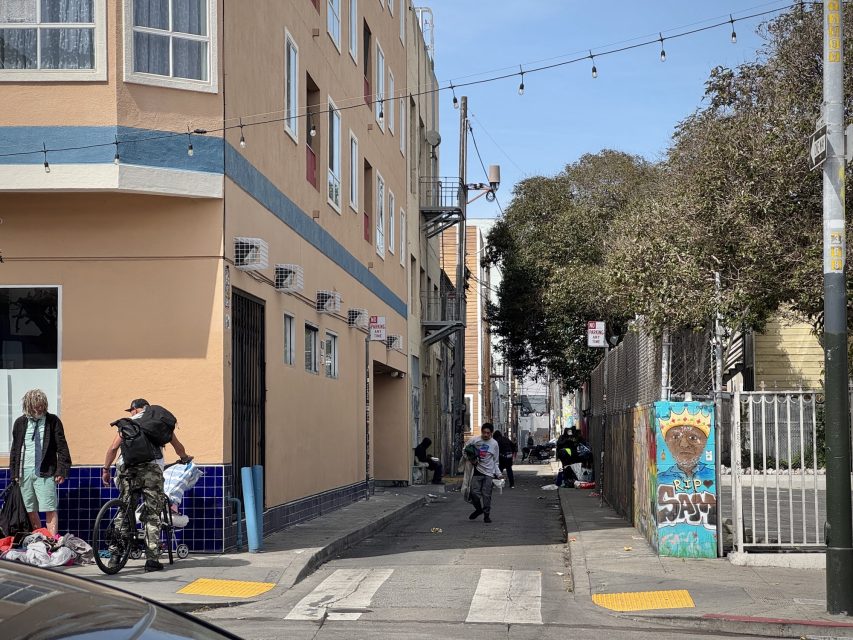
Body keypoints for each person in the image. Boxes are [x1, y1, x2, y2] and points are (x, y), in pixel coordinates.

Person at [102, 399, 191, 572]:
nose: (131, 414)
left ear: (135, 409)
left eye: (131, 410)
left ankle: (115, 555)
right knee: (152, 513)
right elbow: (177, 446)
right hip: (152, 470)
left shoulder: (129, 424)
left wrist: (105, 469)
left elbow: (113, 448)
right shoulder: (158, 421)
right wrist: (185, 457)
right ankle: (152, 559)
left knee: (125, 509)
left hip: (127, 469)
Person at [9, 389, 71, 536]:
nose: (39, 409)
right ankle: (40, 537)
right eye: (36, 406)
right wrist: (14, 473)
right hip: (24, 472)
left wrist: (61, 470)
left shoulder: (53, 421)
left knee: (49, 507)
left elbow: (62, 447)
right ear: (28, 406)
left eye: (42, 405)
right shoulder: (20, 423)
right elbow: (15, 449)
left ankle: (52, 540)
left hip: (45, 471)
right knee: (30, 508)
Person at [465, 423, 502, 523]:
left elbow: (495, 461)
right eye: (484, 432)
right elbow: (465, 449)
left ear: (491, 433)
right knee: (473, 493)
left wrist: (498, 474)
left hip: (488, 473)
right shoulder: (475, 440)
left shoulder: (494, 444)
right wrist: (471, 459)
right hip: (477, 471)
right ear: (481, 432)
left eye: (488, 433)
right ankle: (478, 509)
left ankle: (486, 515)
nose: (486, 435)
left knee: (486, 495)